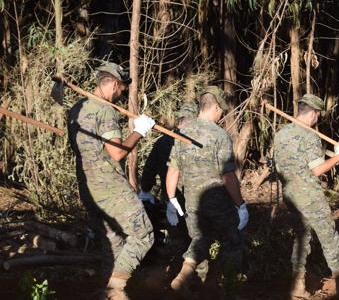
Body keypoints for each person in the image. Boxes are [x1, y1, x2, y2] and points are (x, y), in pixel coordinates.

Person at [68, 62, 156, 300]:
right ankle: (115, 289)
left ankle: (107, 296)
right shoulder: (105, 110)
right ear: (115, 84)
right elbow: (117, 153)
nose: (121, 95)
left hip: (88, 189)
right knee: (144, 234)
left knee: (113, 242)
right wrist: (140, 131)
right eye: (122, 90)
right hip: (111, 189)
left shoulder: (77, 108)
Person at [273, 94, 339, 299]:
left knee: (301, 235)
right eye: (318, 115)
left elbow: (279, 166)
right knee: (328, 234)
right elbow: (317, 170)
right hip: (308, 193)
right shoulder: (310, 136)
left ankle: (298, 284)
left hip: (289, 193)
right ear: (314, 113)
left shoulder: (281, 134)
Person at [165, 86, 248, 294]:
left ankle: (190, 280)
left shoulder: (182, 133)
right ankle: (229, 288)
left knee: (200, 239)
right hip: (217, 200)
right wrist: (240, 205)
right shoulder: (220, 135)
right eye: (222, 111)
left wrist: (172, 200)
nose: (221, 115)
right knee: (233, 241)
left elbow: (173, 170)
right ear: (217, 108)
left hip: (192, 200)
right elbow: (228, 175)